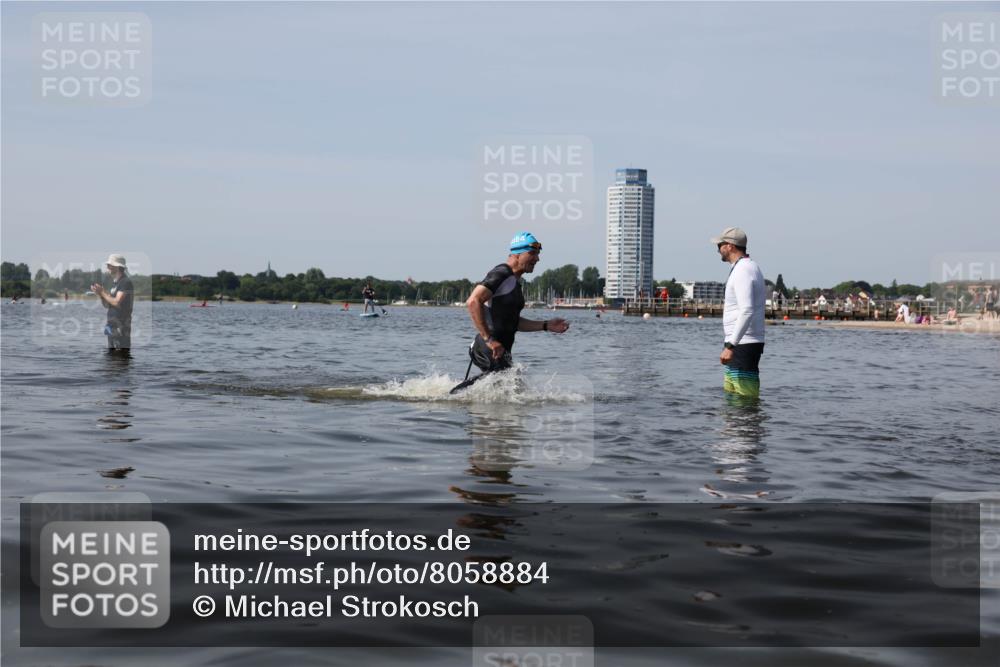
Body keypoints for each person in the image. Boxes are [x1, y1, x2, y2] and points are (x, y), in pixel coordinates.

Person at [452, 232, 569, 393]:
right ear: (517, 254)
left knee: (511, 389)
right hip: (489, 348)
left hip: (500, 350)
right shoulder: (501, 273)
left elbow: (513, 322)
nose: (537, 259)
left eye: (538, 254)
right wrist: (489, 340)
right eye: (532, 253)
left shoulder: (514, 282)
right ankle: (448, 400)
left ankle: (454, 398)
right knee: (507, 390)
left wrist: (546, 325)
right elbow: (473, 301)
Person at [711, 227, 765, 399]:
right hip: (739, 343)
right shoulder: (744, 267)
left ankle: (746, 426)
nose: (717, 249)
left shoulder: (744, 270)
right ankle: (734, 426)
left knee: (744, 398)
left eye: (720, 245)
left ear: (730, 246)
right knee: (733, 397)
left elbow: (747, 310)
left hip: (742, 343)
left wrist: (731, 345)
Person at [91, 254, 133, 352]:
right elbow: (107, 305)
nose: (107, 267)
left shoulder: (125, 282)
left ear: (117, 267)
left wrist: (102, 292)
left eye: (110, 265)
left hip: (120, 326)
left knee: (119, 359)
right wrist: (100, 294)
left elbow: (117, 302)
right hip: (112, 326)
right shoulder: (116, 284)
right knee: (111, 360)